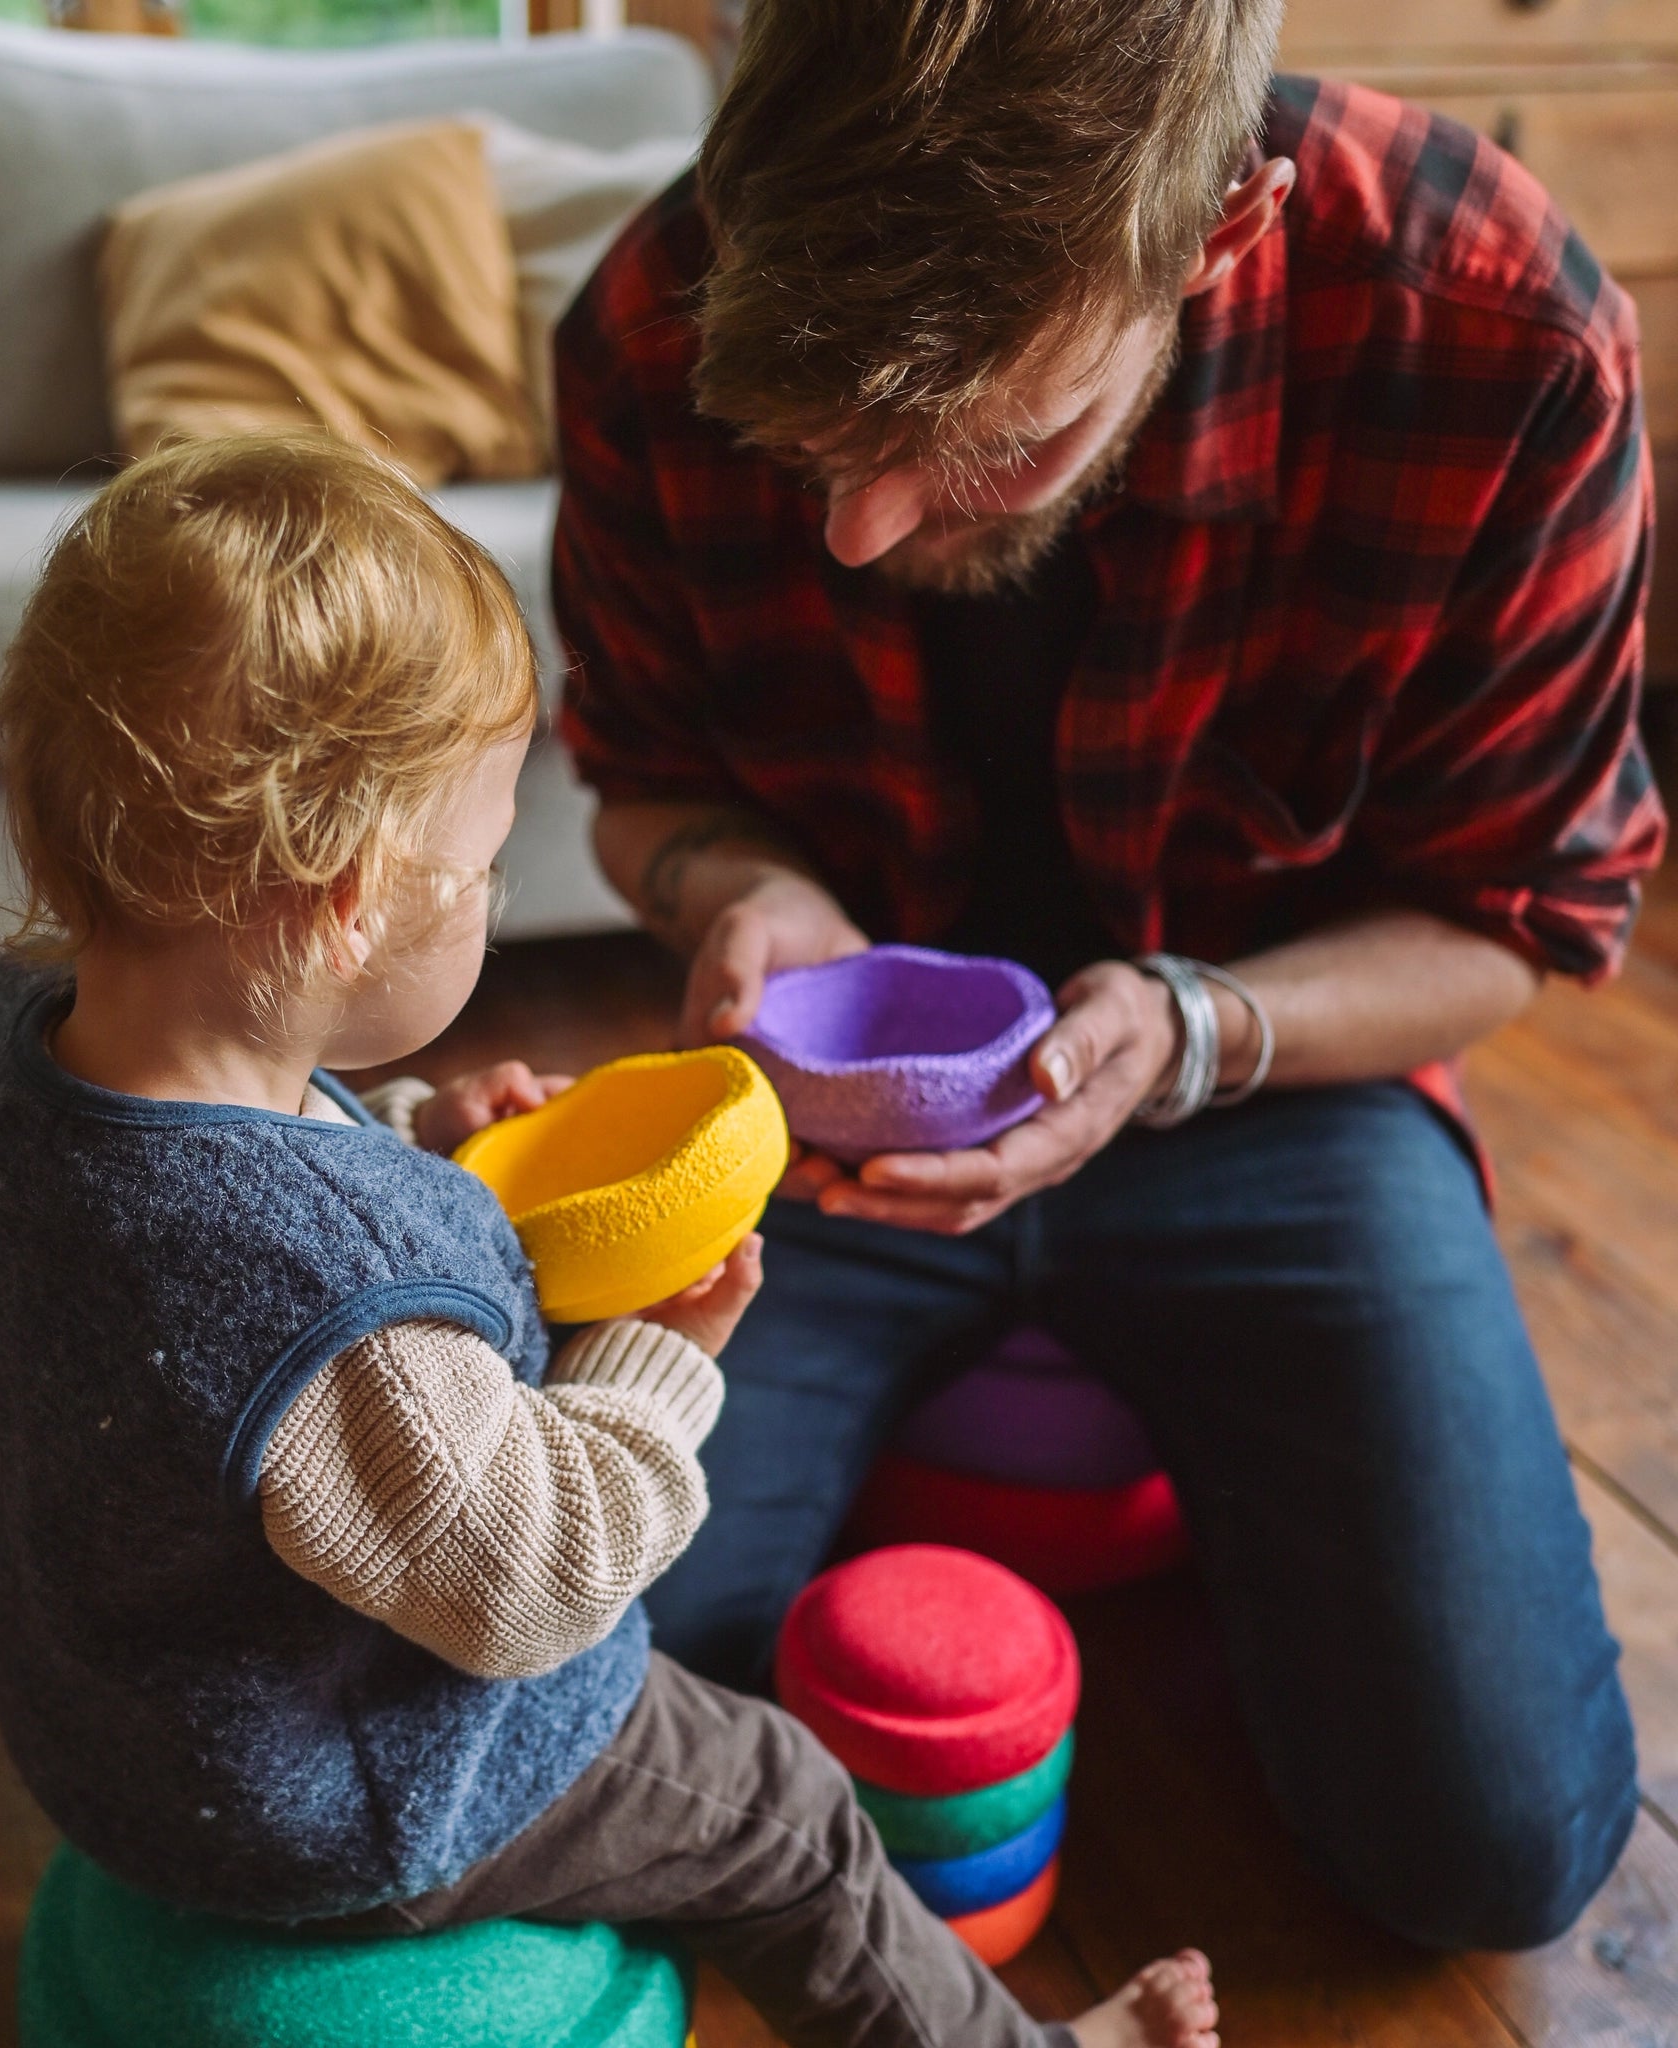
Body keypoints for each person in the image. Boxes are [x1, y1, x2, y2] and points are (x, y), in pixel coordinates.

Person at [552, 0, 1666, 1955]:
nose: (858, 527)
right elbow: (640, 783)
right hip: (811, 1139)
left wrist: (1193, 1031)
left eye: (985, 438)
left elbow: (1513, 919)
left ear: (1215, 237)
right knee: (540, 1714)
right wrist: (741, 885)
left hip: (1273, 1095)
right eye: (812, 449)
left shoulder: (1497, 333)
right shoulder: (651, 313)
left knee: (1491, 1844)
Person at [0, 433, 1225, 2048]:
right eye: (482, 867)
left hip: (113, 1722)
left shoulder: (11, 1041)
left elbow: (181, 1248)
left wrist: (418, 1147)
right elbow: (534, 1584)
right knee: (788, 1808)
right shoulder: (336, 1307)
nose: (493, 896)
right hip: (346, 1795)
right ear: (344, 904)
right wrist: (652, 1360)